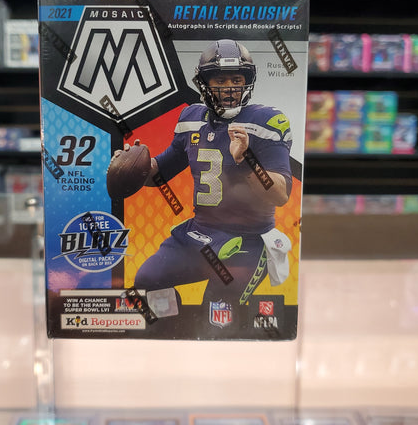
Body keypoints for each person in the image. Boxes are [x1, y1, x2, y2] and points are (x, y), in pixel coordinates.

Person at [112, 39, 293, 328]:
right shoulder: (191, 118)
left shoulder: (266, 122)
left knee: (217, 319)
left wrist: (246, 159)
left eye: (237, 80)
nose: (230, 88)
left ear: (247, 82)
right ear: (204, 83)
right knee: (148, 281)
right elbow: (162, 171)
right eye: (220, 80)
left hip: (247, 240)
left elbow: (281, 195)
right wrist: (135, 167)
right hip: (200, 233)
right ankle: (171, 330)